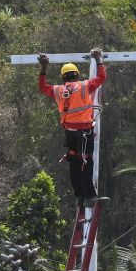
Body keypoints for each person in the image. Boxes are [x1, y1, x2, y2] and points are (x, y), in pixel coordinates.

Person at [38, 48, 106, 207]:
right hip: (84, 132)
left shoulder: (58, 90)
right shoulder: (85, 86)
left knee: (75, 163)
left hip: (70, 134)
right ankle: (89, 196)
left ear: (63, 77)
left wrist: (44, 67)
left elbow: (42, 86)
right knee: (85, 162)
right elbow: (101, 77)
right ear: (77, 74)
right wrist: (99, 59)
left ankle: (79, 196)